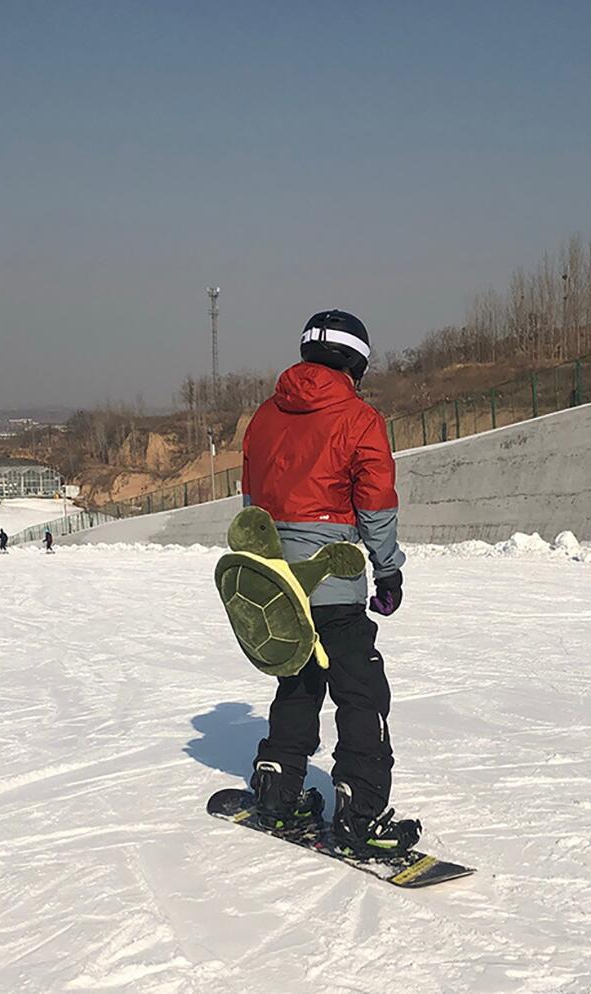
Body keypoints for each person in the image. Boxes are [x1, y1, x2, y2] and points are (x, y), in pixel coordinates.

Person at [241, 309, 420, 855]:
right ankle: (360, 808)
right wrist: (387, 570)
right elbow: (375, 503)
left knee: (297, 681)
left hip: (277, 584)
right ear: (356, 361)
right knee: (360, 691)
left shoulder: (264, 417)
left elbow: (251, 504)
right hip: (334, 585)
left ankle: (277, 787)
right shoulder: (358, 417)